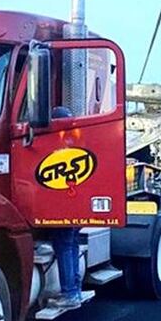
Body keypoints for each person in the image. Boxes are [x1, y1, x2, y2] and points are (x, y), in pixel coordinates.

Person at [47, 105, 95, 310]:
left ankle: (70, 293)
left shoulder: (56, 146)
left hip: (63, 206)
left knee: (64, 245)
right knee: (72, 244)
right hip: (77, 205)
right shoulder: (78, 142)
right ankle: (74, 287)